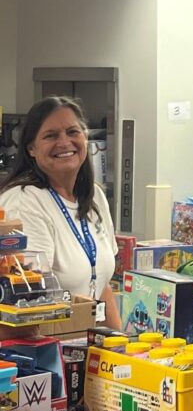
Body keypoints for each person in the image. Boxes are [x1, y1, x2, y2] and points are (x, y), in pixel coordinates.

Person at [0, 96, 121, 328]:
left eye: (73, 132)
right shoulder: (24, 201)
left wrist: (122, 347)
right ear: (31, 149)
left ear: (85, 137)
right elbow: (28, 299)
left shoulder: (94, 196)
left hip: (87, 346)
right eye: (51, 135)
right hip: (48, 349)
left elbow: (102, 285)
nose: (64, 142)